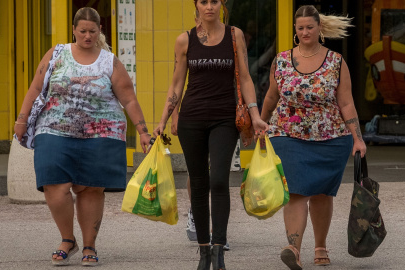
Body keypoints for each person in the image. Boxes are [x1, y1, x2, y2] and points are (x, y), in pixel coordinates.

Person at [14, 7, 151, 267]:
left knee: (90, 188)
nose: (87, 36)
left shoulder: (110, 61)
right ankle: (68, 239)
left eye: (92, 31)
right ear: (74, 30)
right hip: (54, 129)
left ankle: (89, 245)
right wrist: (22, 119)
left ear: (99, 30)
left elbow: (129, 99)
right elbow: (35, 86)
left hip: (100, 133)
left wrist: (143, 131)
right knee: (54, 185)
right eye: (82, 31)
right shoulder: (57, 54)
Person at [154, 1, 267, 269]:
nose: (209, 7)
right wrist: (163, 119)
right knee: (199, 182)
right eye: (203, 1)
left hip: (225, 119)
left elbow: (246, 79)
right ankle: (204, 251)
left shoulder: (234, 35)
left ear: (222, 5)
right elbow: (177, 83)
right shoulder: (185, 40)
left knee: (218, 180)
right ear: (197, 5)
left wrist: (255, 114)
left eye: (214, 1)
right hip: (191, 119)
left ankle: (219, 250)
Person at [260, 5, 366, 270]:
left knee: (321, 194)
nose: (305, 31)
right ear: (295, 31)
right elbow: (272, 96)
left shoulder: (336, 61)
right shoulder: (281, 60)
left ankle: (320, 246)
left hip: (331, 138)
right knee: (295, 192)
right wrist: (260, 124)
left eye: (310, 27)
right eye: (300, 28)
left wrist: (358, 138)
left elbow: (347, 103)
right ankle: (293, 249)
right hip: (287, 135)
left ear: (320, 28)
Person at [171, 110, 235, 249]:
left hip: (223, 115)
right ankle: (195, 210)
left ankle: (216, 234)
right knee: (198, 173)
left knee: (219, 175)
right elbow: (176, 88)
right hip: (194, 115)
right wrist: (174, 116)